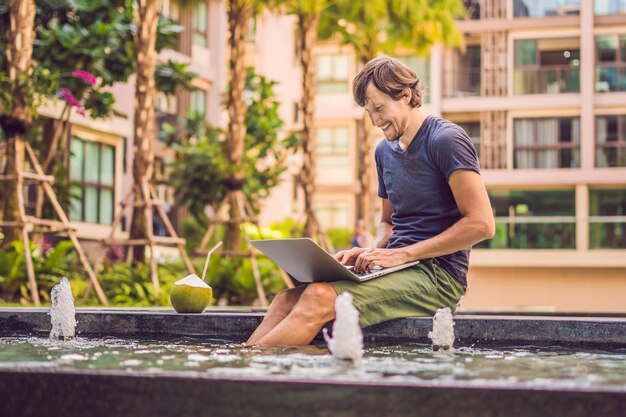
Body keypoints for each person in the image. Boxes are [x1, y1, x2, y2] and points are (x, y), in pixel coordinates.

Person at [246, 56, 494, 346]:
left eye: (379, 108)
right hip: (395, 268)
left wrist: (403, 254)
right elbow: (388, 222)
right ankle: (241, 370)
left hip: (438, 277)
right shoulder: (383, 152)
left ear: (406, 95)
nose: (375, 121)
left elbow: (482, 224)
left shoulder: (446, 140)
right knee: (285, 299)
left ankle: (250, 375)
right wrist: (372, 251)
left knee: (318, 297)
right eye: (368, 111)